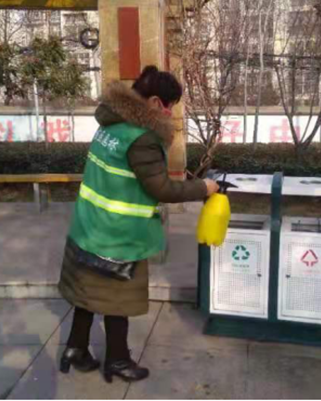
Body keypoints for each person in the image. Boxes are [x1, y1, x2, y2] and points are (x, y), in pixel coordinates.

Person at [58, 66, 219, 384]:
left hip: (88, 227)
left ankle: (76, 349)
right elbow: (161, 189)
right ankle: (118, 360)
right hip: (118, 236)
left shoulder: (110, 125)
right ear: (156, 102)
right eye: (170, 106)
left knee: (88, 291)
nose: (171, 113)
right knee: (118, 298)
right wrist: (205, 188)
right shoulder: (142, 138)